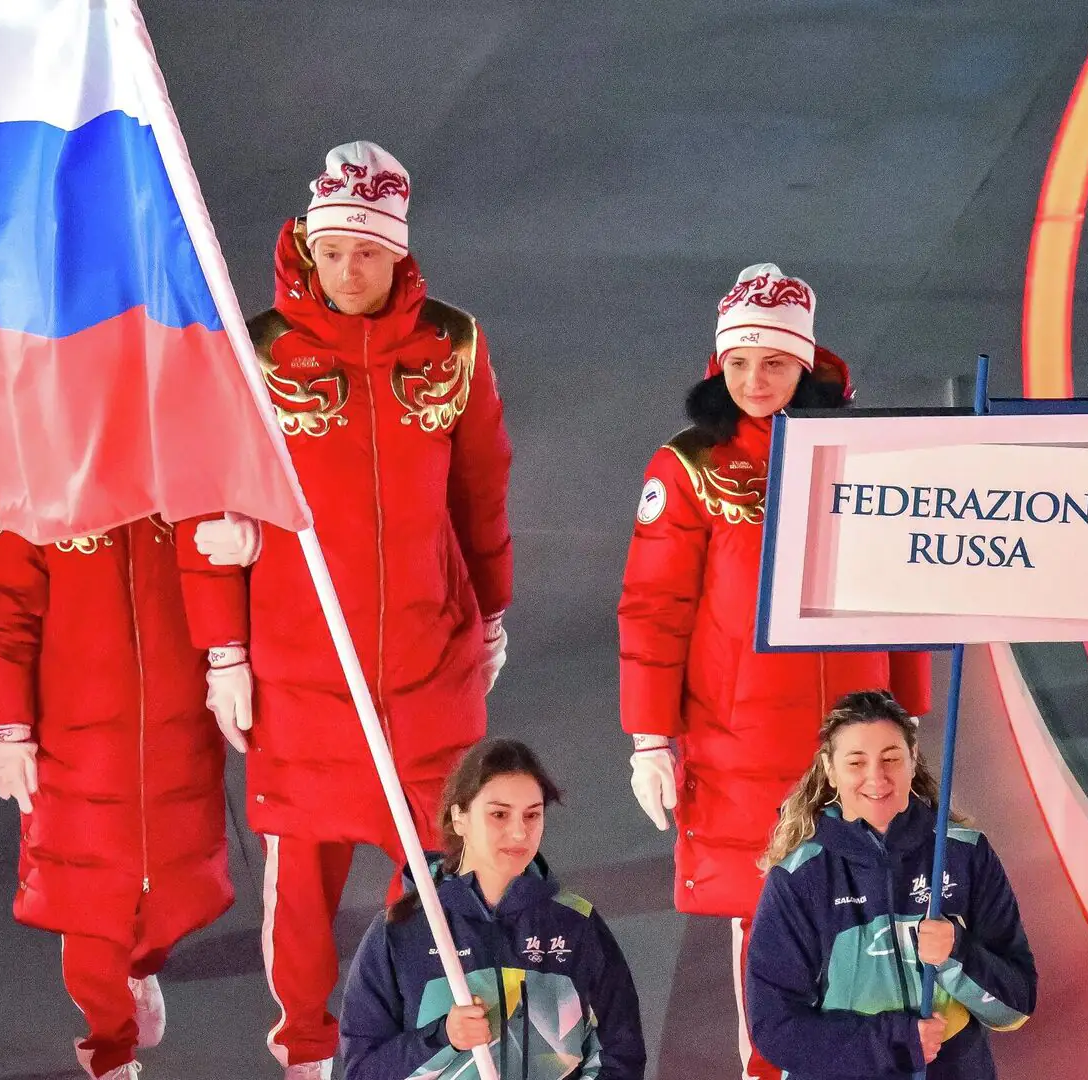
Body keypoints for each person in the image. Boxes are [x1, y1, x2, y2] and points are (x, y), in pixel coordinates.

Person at [178, 140, 514, 1079]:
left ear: (398, 253)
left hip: (429, 657)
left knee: (442, 868)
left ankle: (429, 1038)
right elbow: (209, 503)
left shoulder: (452, 345)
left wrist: (492, 610)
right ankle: (306, 1048)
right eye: (331, 252)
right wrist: (223, 648)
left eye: (366, 252)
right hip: (303, 662)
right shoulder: (257, 352)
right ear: (307, 247)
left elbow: (480, 488)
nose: (348, 271)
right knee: (301, 879)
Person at [615, 263, 933, 1079]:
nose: (755, 380)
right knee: (769, 922)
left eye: (775, 363)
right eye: (739, 362)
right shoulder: (688, 466)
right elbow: (653, 607)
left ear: (808, 364)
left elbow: (902, 585)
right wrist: (650, 736)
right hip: (741, 740)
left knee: (868, 916)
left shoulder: (863, 454)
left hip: (859, 735)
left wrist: (910, 709)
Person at [0, 514, 232, 1080]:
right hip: (75, 745)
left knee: (170, 893)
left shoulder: (178, 475)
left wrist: (230, 660)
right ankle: (110, 1047)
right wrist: (8, 727)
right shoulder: (32, 487)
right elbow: (0, 614)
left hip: (178, 733)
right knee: (88, 907)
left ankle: (142, 961)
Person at [746, 691, 1035, 1078]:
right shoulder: (800, 879)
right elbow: (775, 1028)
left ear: (912, 759)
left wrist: (957, 955)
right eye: (856, 762)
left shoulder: (965, 855)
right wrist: (895, 1043)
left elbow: (1015, 1007)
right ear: (830, 769)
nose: (876, 777)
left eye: (891, 758)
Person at [339, 738, 646, 1080]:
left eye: (532, 815)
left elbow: (620, 1056)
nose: (519, 833)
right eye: (499, 814)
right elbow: (362, 1071)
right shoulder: (401, 931)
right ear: (459, 818)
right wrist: (442, 1037)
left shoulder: (575, 924)